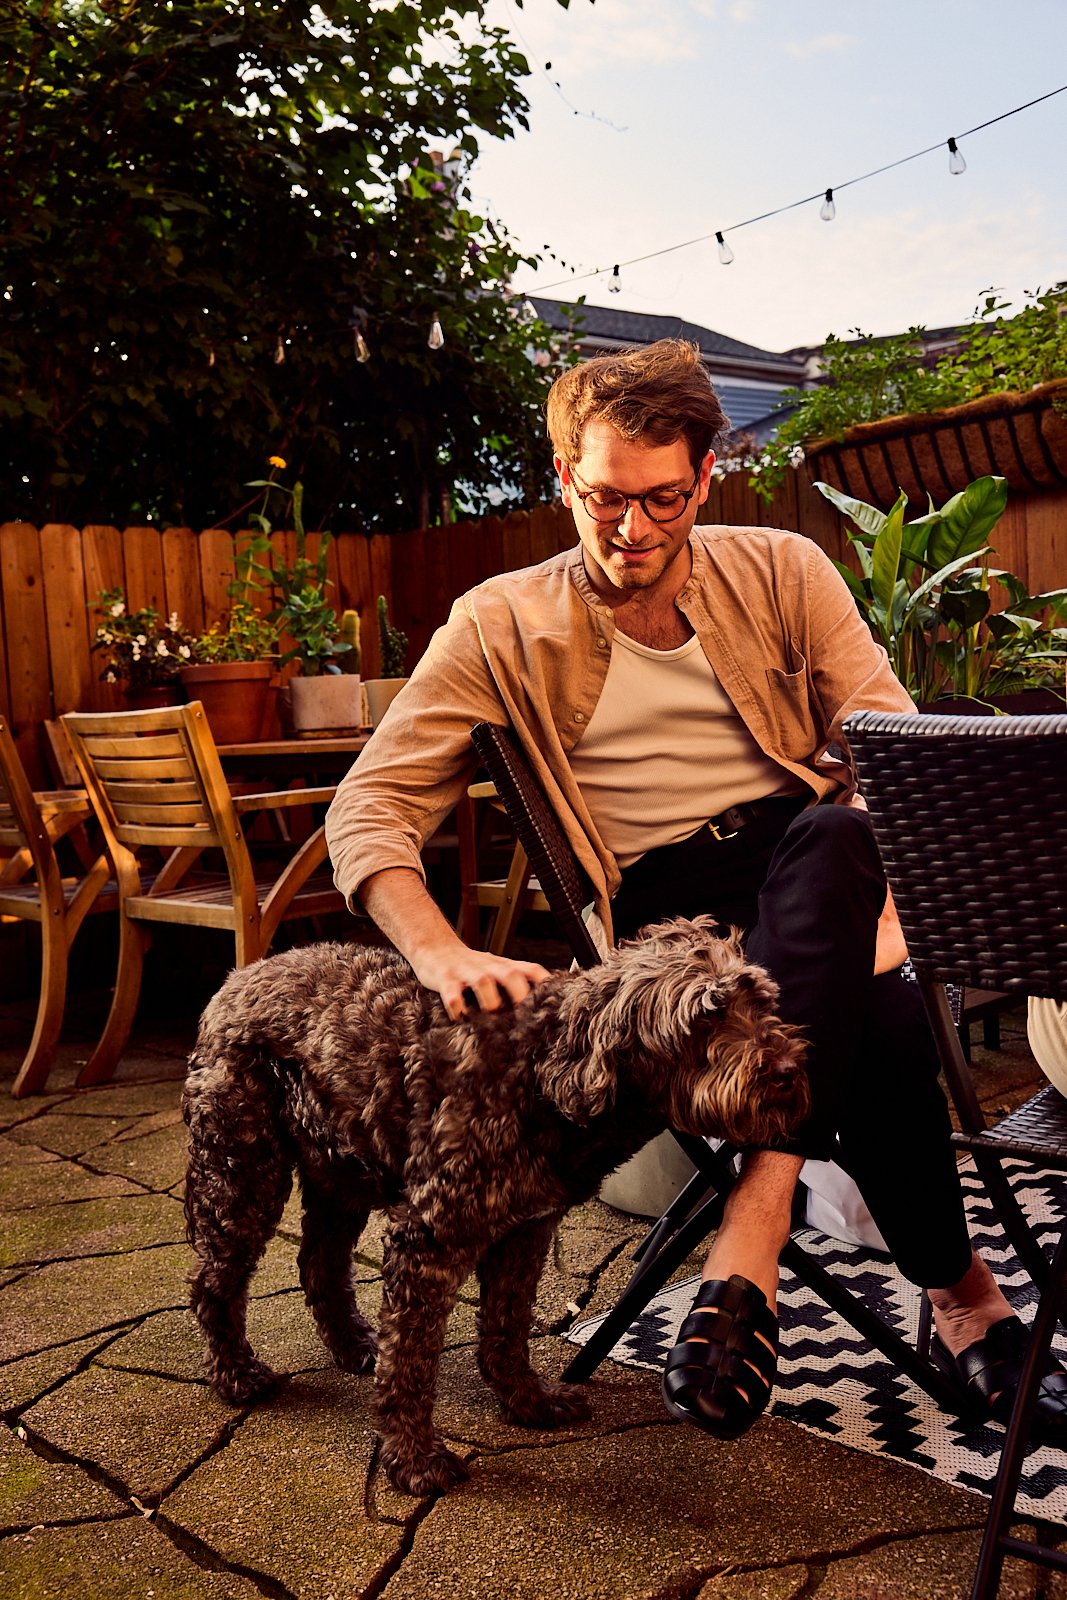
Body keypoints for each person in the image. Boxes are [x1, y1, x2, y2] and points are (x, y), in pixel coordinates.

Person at [325, 339, 1067, 1441]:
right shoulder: (496, 620)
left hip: (814, 867)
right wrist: (439, 952)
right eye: (605, 498)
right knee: (885, 1020)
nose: (632, 529)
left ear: (705, 476)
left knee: (831, 835)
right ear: (564, 477)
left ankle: (750, 1235)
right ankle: (963, 1301)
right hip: (664, 925)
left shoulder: (782, 569)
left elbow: (893, 749)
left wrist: (883, 886)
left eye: (662, 498)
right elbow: (369, 806)